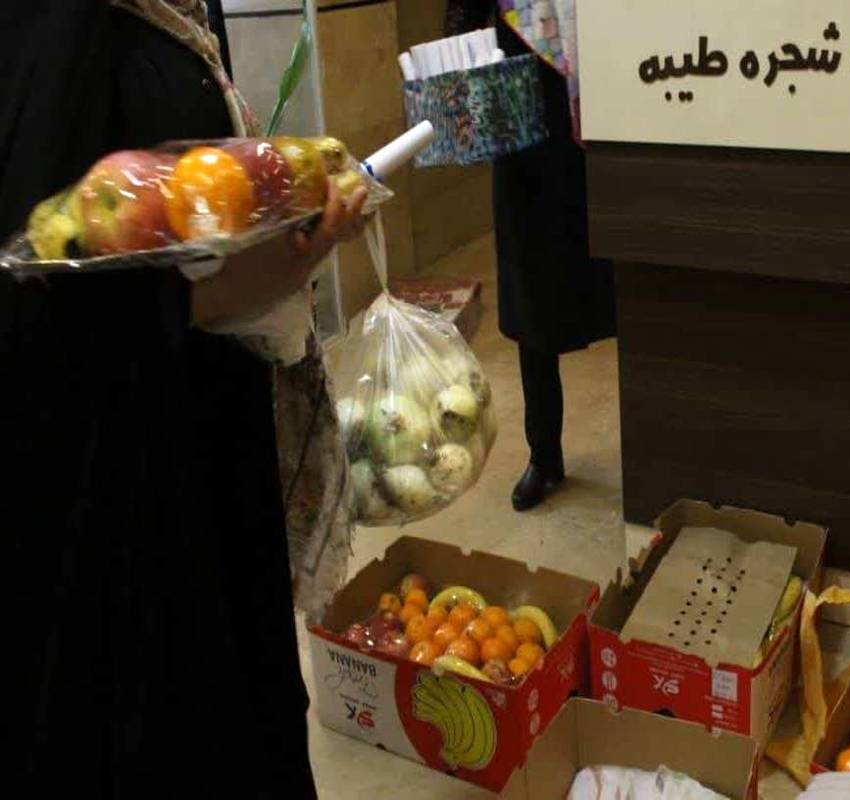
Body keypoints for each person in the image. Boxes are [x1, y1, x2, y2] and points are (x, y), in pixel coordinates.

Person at [1, 3, 365, 795]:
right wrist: (252, 281)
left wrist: (283, 239)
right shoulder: (53, 31)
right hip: (127, 497)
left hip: (215, 437)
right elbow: (40, 304)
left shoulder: (169, 12)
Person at [446, 1, 616, 511]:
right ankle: (544, 455)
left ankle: (652, 453)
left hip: (604, 116)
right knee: (532, 298)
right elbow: (462, 13)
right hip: (521, 122)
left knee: (625, 289)